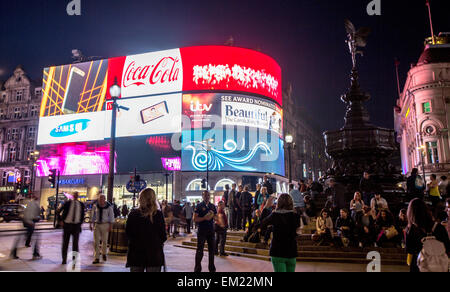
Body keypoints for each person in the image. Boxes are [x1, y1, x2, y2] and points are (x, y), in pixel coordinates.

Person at [126, 188, 167, 272]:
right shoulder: (158, 214)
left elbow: (128, 233)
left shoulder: (133, 213)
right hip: (154, 253)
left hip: (136, 253)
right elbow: (163, 235)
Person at [405, 198, 450, 272]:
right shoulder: (439, 227)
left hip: (419, 266)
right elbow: (448, 247)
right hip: (438, 266)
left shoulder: (411, 229)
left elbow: (409, 249)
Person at [260, 194, 300, 272]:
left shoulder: (274, 215)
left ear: (279, 203)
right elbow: (298, 232)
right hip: (291, 251)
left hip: (277, 251)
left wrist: (265, 207)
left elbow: (261, 224)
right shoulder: (296, 216)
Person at [10, 195, 41, 260]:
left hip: (25, 221)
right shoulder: (35, 204)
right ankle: (35, 253)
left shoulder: (25, 202)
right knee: (35, 238)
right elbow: (37, 214)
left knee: (21, 237)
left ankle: (14, 252)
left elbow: (20, 211)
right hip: (30, 222)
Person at [193, 191, 217, 273]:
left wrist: (213, 215)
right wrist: (204, 218)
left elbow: (216, 218)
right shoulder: (199, 206)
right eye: (205, 195)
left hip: (211, 231)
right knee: (200, 250)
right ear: (202, 196)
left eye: (208, 195)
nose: (207, 197)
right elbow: (195, 219)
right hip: (202, 231)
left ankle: (212, 269)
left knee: (212, 251)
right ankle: (197, 269)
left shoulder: (212, 206)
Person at [60, 191, 85, 265]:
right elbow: (59, 210)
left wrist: (80, 223)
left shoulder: (81, 204)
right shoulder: (67, 203)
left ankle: (74, 260)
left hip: (76, 226)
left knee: (75, 244)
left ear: (78, 196)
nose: (76, 196)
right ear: (73, 196)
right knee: (65, 243)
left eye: (77, 194)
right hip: (67, 225)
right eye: (75, 194)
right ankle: (64, 259)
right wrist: (60, 220)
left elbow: (82, 214)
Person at [90, 194, 114, 264]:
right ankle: (96, 257)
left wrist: (111, 226)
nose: (101, 200)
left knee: (104, 241)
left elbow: (111, 216)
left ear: (105, 199)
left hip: (105, 224)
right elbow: (93, 215)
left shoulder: (109, 207)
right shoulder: (95, 206)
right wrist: (91, 224)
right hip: (97, 225)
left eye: (102, 199)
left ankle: (104, 253)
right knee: (96, 242)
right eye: (100, 199)